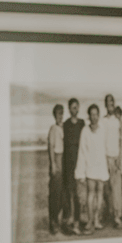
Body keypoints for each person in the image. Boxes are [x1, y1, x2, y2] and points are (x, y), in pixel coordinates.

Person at [74, 104, 108, 234]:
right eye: (92, 114)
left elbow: (105, 147)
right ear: (89, 116)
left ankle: (96, 220)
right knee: (90, 194)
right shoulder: (85, 130)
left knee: (100, 194)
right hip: (90, 166)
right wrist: (81, 172)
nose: (94, 117)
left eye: (96, 114)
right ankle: (89, 221)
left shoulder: (102, 129)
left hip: (101, 166)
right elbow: (82, 151)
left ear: (99, 115)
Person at [61, 98, 85, 234]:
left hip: (80, 163)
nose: (74, 110)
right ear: (69, 109)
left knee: (78, 194)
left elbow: (85, 143)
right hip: (68, 164)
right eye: (72, 107)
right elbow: (64, 145)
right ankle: (69, 220)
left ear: (78, 108)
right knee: (68, 193)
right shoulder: (65, 125)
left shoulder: (82, 123)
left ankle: (77, 221)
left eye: (76, 107)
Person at [103, 94, 122, 229]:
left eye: (112, 102)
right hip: (105, 158)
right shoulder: (103, 120)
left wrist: (120, 159)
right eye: (108, 102)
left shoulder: (118, 121)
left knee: (117, 190)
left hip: (116, 158)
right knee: (106, 189)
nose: (110, 104)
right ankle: (109, 213)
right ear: (105, 105)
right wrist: (104, 159)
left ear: (114, 103)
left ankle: (117, 217)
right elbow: (101, 140)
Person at [47, 104, 65, 235]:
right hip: (57, 161)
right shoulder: (53, 128)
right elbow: (51, 146)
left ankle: (61, 221)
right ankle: (53, 222)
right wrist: (53, 164)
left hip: (64, 160)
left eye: (61, 113)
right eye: (58, 113)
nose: (60, 116)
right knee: (55, 193)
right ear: (54, 115)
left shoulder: (62, 128)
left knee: (62, 194)